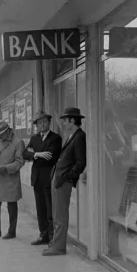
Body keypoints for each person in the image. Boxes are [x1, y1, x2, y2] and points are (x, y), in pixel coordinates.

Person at [43, 107, 87, 256]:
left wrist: (69, 176)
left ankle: (59, 247)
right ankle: (56, 242)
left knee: (60, 215)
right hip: (58, 178)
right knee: (56, 214)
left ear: (73, 120)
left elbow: (81, 162)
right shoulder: (71, 135)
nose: (62, 123)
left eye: (65, 120)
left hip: (64, 180)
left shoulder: (79, 136)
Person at [23, 111, 62, 246]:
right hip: (37, 178)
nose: (42, 124)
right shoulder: (34, 139)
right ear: (36, 125)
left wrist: (34, 155)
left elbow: (51, 156)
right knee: (40, 208)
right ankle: (43, 235)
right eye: (40, 123)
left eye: (45, 122)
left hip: (49, 177)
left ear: (49, 123)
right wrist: (38, 154)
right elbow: (24, 153)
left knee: (50, 208)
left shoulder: (55, 138)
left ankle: (52, 237)